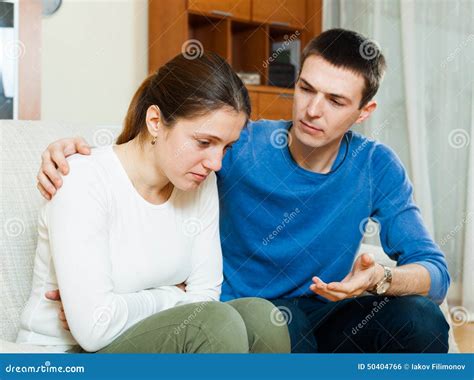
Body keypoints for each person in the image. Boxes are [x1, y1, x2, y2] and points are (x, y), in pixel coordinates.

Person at [37, 29, 450, 353]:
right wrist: (72, 149)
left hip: (325, 312)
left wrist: (382, 279)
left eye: (335, 100)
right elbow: (163, 140)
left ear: (364, 112)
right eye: (306, 89)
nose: (311, 109)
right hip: (250, 319)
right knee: (282, 324)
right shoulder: (238, 146)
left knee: (422, 320)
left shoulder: (376, 165)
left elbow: (435, 273)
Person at [16, 52, 291, 353]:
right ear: (156, 121)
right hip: (62, 356)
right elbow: (94, 329)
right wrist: (172, 296)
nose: (216, 163)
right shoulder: (82, 179)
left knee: (262, 318)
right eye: (203, 142)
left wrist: (125, 304)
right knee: (212, 323)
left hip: (128, 343)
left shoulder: (200, 181)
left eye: (227, 147)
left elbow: (205, 297)